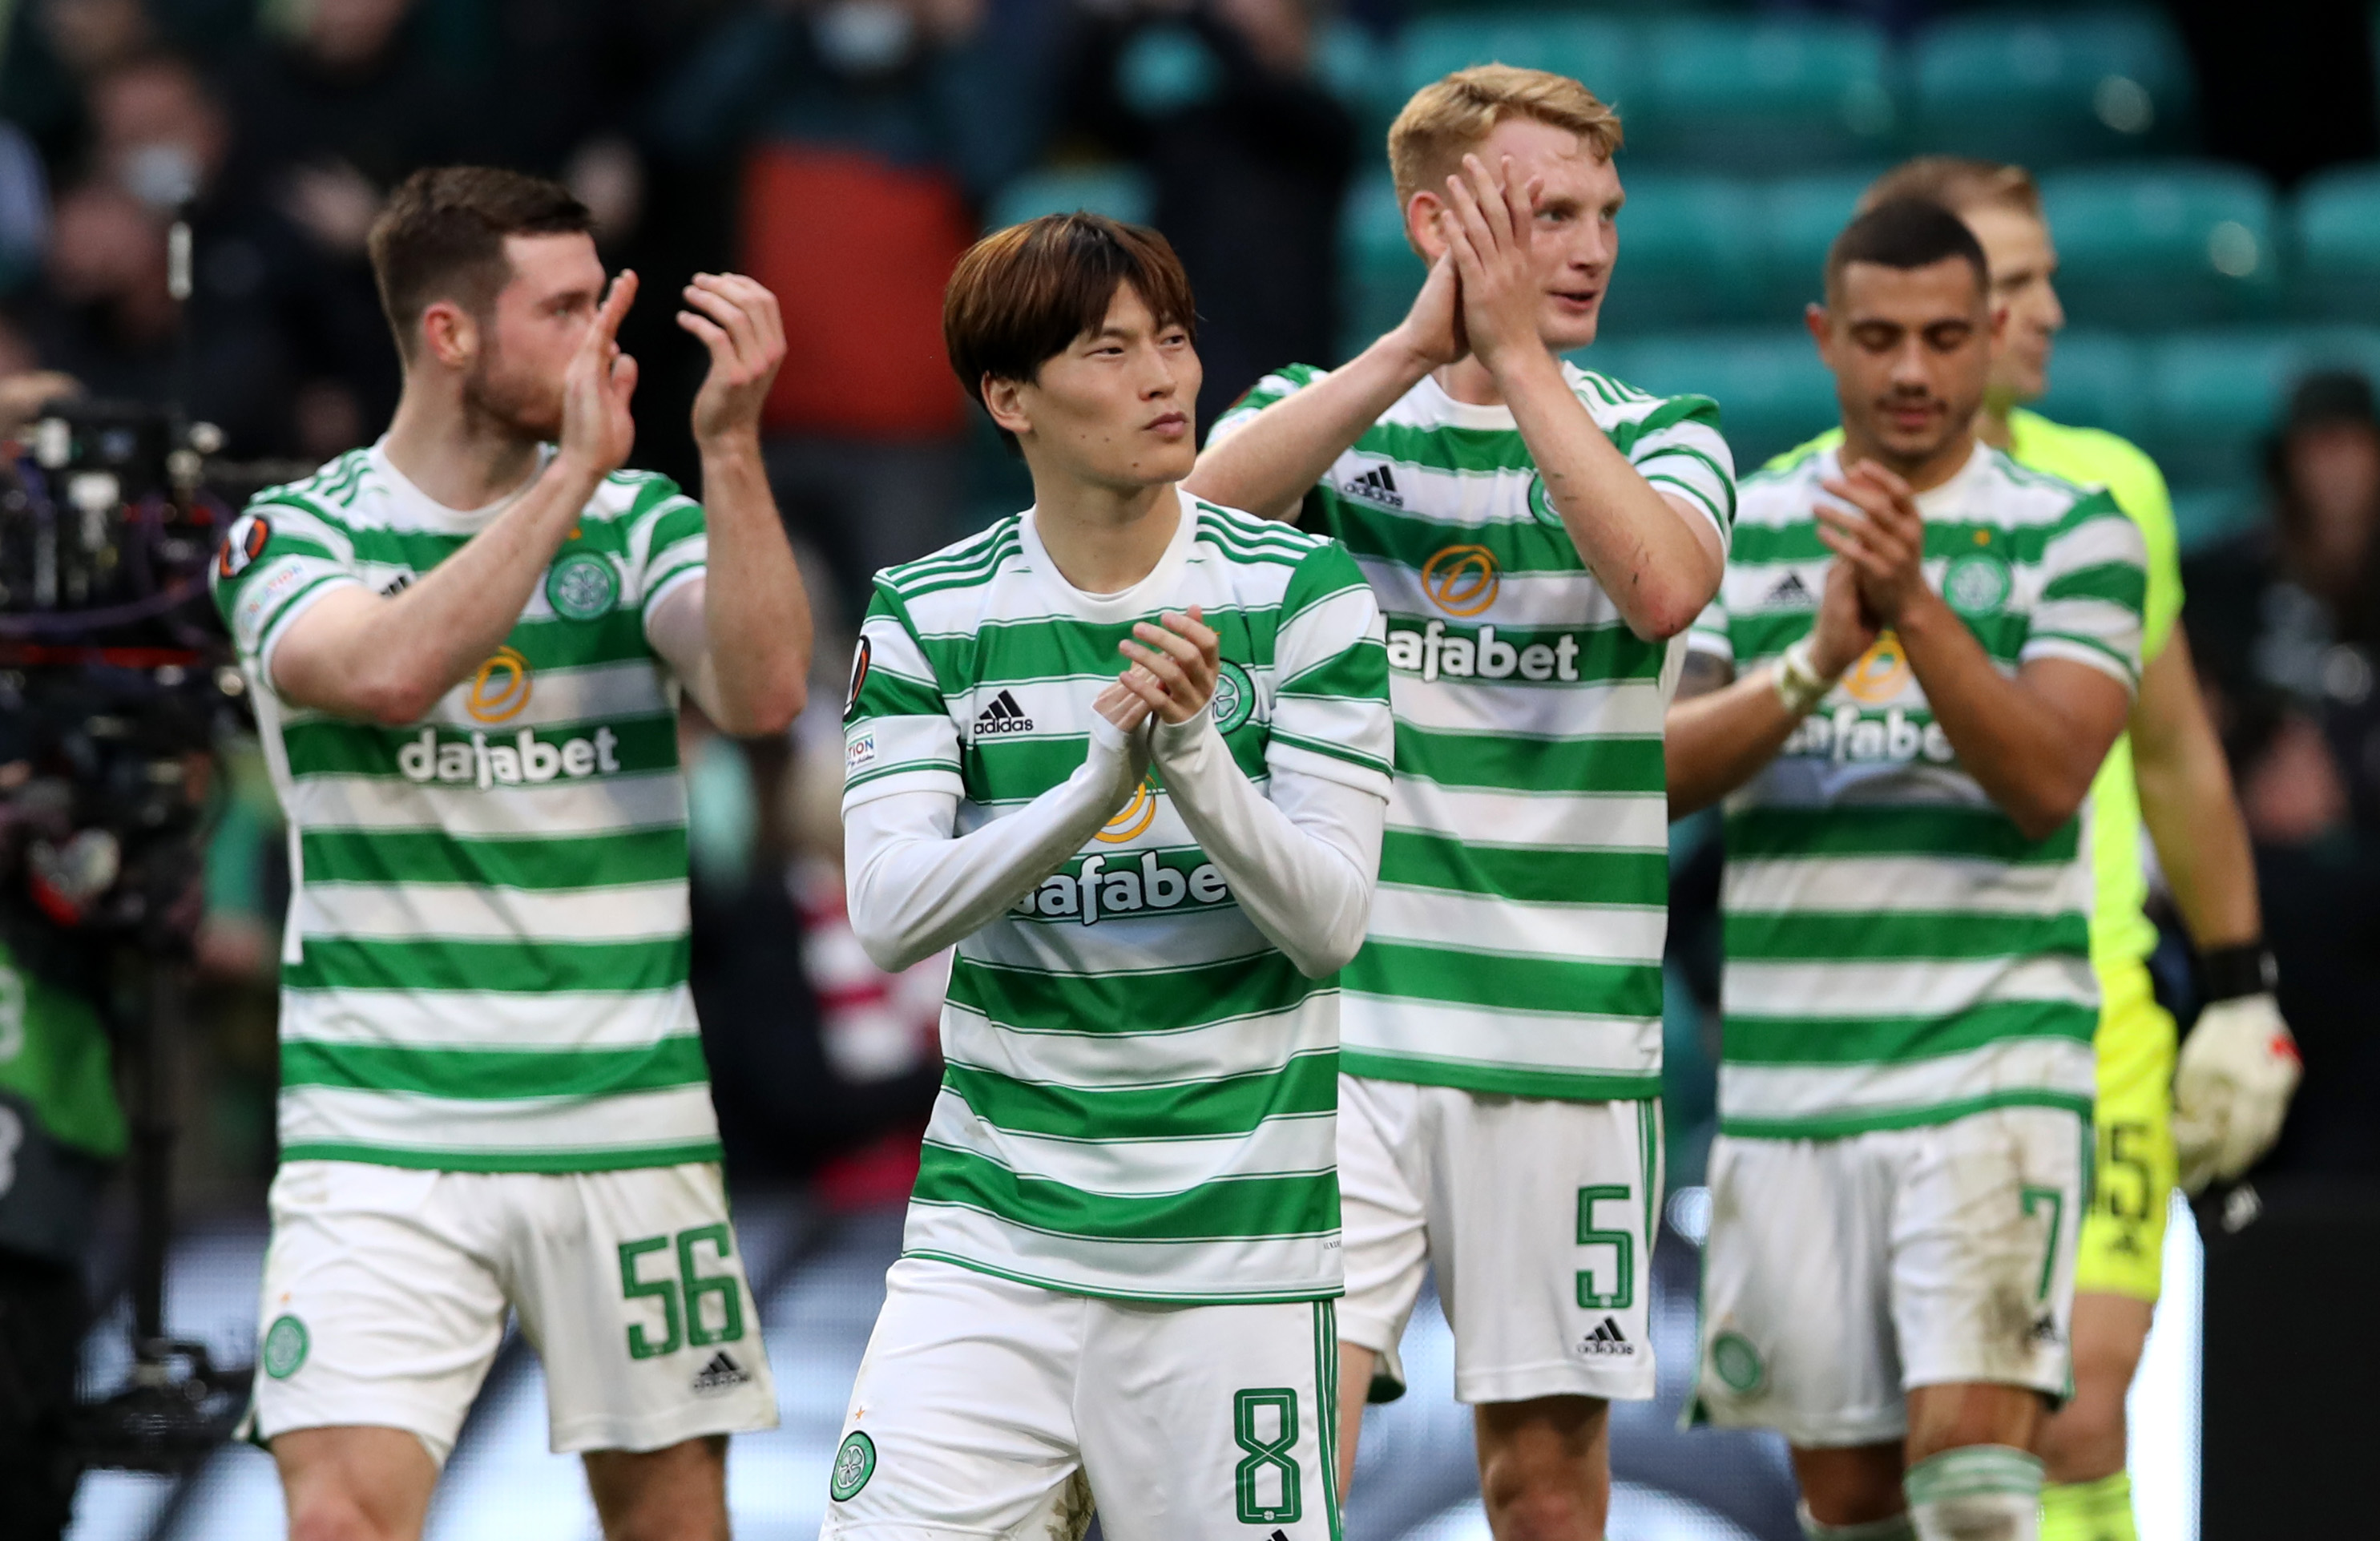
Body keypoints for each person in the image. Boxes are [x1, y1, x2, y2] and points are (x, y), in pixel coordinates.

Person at [208, 165, 813, 1541]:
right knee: (338, 1520)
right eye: (561, 311)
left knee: (671, 1524)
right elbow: (385, 675)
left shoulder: (646, 518)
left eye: (603, 302)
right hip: (382, 1128)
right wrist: (567, 487)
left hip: (625, 1119)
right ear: (449, 335)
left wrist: (726, 450)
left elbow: (763, 694)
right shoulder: (292, 530)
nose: (604, 341)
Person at [1187, 67, 1733, 1539]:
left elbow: (1663, 587)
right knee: (1279, 1457)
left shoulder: (1670, 433)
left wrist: (1519, 365)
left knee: (1543, 1482)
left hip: (1562, 1046)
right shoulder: (1318, 415)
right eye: (1545, 213)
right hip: (1339, 1032)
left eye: (1602, 213)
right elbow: (1186, 535)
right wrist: (1402, 357)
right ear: (1436, 221)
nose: (1588, 246)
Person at [829, 212, 1392, 1541]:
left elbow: (1328, 925)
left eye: (1175, 341)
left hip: (1235, 1261)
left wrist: (1193, 757)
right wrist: (1092, 788)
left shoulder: (1301, 592)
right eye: (1111, 349)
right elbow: (890, 914)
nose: (1165, 378)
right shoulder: (928, 610)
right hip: (992, 1248)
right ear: (1009, 398)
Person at [1779, 157, 2301, 1541]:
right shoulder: (1783, 504)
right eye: (2017, 284)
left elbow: (2177, 750)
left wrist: (2240, 985)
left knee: (2077, 1411)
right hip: (1864, 1027)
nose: (2049, 312)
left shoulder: (2108, 489)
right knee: (1889, 1468)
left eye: (2044, 278)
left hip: (2091, 1018)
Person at [1667, 200, 2148, 1541]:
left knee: (1977, 1485)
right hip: (1792, 1084)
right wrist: (1818, 656)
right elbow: (1654, 775)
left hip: (1991, 1064)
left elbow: (2049, 779)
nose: (1913, 373)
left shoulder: (2078, 529)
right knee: (1851, 1500)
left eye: (1945, 337)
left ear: (1993, 335)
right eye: (1877, 338)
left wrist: (1913, 609)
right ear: (1824, 339)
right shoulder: (1744, 527)